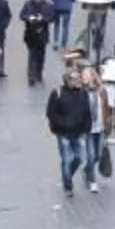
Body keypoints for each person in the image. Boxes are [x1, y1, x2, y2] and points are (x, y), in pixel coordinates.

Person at [47, 65, 101, 195]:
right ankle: (68, 186)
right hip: (63, 133)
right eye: (75, 79)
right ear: (68, 81)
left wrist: (86, 129)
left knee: (79, 158)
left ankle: (67, 175)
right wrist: (62, 124)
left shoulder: (82, 93)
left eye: (78, 79)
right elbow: (51, 113)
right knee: (67, 159)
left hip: (78, 133)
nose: (78, 81)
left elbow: (87, 112)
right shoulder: (58, 93)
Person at [20, 0, 55, 86]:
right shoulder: (28, 4)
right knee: (32, 55)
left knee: (40, 56)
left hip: (42, 34)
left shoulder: (48, 6)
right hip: (30, 34)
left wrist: (43, 18)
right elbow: (22, 15)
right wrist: (28, 18)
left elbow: (52, 18)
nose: (37, 0)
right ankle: (31, 76)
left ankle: (38, 73)